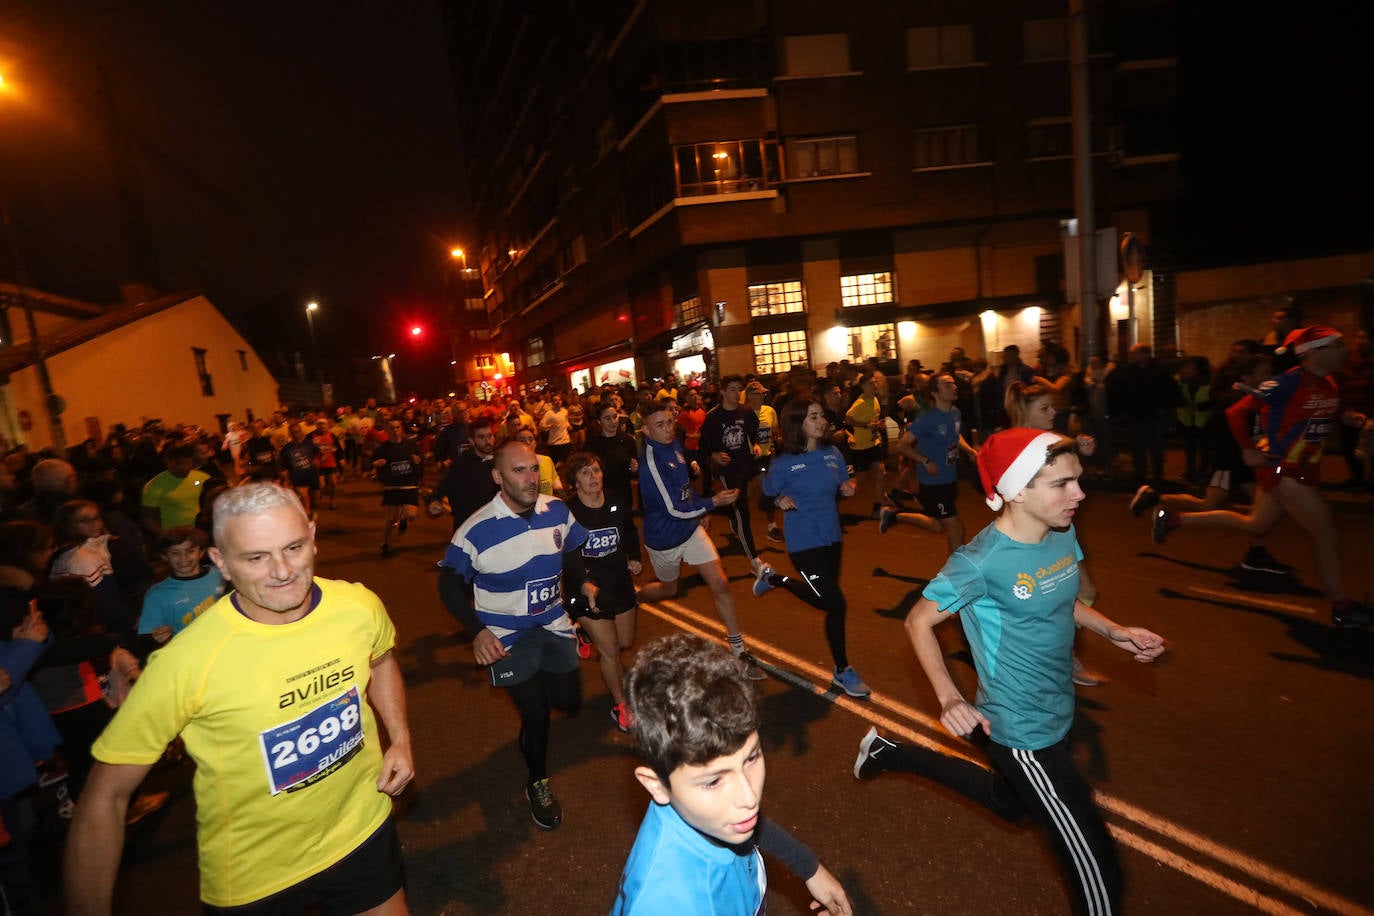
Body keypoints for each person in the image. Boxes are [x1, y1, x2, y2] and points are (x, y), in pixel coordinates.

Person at [854, 428, 1166, 915]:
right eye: (1062, 484)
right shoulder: (981, 562)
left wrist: (1114, 631)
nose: (1079, 494)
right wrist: (950, 698)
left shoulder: (1062, 531)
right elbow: (919, 621)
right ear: (1018, 490)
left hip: (1058, 707)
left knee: (1010, 803)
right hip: (1023, 730)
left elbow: (1064, 598)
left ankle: (891, 752)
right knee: (1096, 861)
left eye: (1078, 481)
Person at [65, 482, 414, 913]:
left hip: (363, 832)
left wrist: (399, 738)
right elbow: (105, 797)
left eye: (293, 547)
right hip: (255, 876)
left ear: (313, 535)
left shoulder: (357, 606)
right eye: (256, 557)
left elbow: (380, 660)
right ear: (221, 563)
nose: (283, 570)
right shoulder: (187, 661)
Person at [612, 633, 852, 916]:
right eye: (713, 781)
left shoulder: (705, 812)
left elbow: (751, 825)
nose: (749, 797)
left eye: (751, 758)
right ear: (656, 785)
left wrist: (807, 865)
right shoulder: (670, 903)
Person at [1150, 326, 1372, 628]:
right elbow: (1237, 412)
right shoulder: (1287, 382)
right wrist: (1247, 450)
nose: (1345, 350)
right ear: (1315, 352)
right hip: (1282, 469)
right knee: (1326, 532)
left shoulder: (1328, 382)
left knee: (1256, 524)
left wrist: (1346, 415)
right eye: (1337, 345)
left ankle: (1174, 520)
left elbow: (1318, 411)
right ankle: (1342, 607)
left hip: (1302, 469)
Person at [437, 440, 592, 830]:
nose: (530, 478)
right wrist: (477, 631)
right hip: (507, 638)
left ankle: (551, 698)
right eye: (518, 471)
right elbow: (449, 585)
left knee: (569, 701)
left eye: (533, 468)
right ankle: (537, 782)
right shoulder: (475, 530)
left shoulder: (556, 509)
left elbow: (571, 548)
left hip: (554, 624)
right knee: (536, 714)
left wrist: (583, 585)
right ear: (498, 477)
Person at [1129, 353, 1293, 575]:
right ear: (1248, 376)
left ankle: (1257, 553)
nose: (1270, 377)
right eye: (1265, 373)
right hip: (1231, 465)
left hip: (1240, 466)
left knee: (1250, 512)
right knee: (1220, 508)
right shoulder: (1235, 400)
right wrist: (1232, 458)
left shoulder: (1251, 398)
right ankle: (1167, 513)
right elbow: (1218, 433)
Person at [636, 399, 765, 680]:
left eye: (670, 421)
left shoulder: (672, 445)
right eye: (660, 425)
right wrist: (711, 503)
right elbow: (670, 508)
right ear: (645, 430)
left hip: (689, 528)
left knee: (720, 582)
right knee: (669, 589)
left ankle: (738, 650)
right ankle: (634, 598)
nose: (669, 428)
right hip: (664, 538)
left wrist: (698, 508)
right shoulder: (650, 463)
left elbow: (684, 487)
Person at [754, 396, 868, 698]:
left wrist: (849, 490)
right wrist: (777, 500)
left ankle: (773, 579)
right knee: (834, 603)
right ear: (798, 425)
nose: (822, 422)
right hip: (803, 542)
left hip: (832, 537)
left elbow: (846, 485)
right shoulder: (783, 464)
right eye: (814, 417)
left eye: (821, 416)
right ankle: (843, 670)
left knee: (826, 600)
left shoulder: (833, 453)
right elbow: (762, 498)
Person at [562, 452, 642, 732]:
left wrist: (634, 556)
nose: (592, 477)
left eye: (595, 471)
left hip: (619, 583)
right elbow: (567, 553)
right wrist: (583, 581)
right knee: (609, 652)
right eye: (585, 473)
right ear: (574, 481)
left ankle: (584, 633)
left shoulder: (617, 501)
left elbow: (629, 531)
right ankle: (620, 704)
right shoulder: (569, 512)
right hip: (586, 590)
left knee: (624, 642)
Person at [879, 373, 978, 557]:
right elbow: (902, 445)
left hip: (949, 479)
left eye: (954, 384)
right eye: (948, 384)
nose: (954, 387)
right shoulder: (928, 418)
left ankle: (893, 516)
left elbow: (955, 436)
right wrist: (925, 460)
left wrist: (969, 450)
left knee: (936, 525)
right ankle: (956, 578)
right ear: (935, 392)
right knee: (955, 528)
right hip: (932, 484)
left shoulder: (955, 413)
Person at [137, 527, 224, 647]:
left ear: (201, 552)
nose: (184, 557)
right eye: (175, 553)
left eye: (190, 551)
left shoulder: (222, 574)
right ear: (165, 557)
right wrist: (156, 638)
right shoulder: (157, 595)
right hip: (190, 652)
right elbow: (147, 638)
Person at [432, 410, 499, 533]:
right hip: (466, 528)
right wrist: (434, 503)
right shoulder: (460, 465)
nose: (488, 441)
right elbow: (440, 490)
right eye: (481, 437)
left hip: (495, 526)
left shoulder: (501, 462)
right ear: (471, 440)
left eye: (490, 436)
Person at [372, 419, 423, 557]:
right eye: (392, 428)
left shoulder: (411, 445)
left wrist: (417, 461)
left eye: (397, 427)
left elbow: (420, 459)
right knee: (390, 519)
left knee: (411, 515)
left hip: (409, 485)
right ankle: (385, 543)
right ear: (387, 431)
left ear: (401, 429)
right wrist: (377, 464)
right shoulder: (383, 448)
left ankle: (404, 519)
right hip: (392, 487)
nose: (395, 430)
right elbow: (371, 462)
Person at [140, 444, 210, 540]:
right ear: (168, 462)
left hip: (198, 532)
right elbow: (148, 518)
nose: (184, 467)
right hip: (173, 535)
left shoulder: (202, 477)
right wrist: (164, 534)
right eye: (179, 463)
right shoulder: (154, 486)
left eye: (187, 463)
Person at [584, 400, 639, 510]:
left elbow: (634, 471)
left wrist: (634, 469)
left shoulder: (628, 441)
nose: (613, 421)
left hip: (624, 494)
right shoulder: (592, 445)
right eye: (607, 418)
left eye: (615, 417)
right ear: (599, 421)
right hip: (601, 494)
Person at [845, 374, 887, 518]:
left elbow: (873, 422)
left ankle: (878, 506)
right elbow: (848, 418)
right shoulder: (860, 402)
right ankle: (839, 492)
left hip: (873, 443)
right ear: (863, 386)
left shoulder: (875, 399)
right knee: (860, 480)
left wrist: (877, 426)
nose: (874, 386)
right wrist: (866, 426)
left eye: (875, 383)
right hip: (860, 447)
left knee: (881, 472)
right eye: (870, 383)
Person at [278, 422, 322, 519]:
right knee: (304, 496)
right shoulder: (287, 448)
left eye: (298, 432)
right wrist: (284, 474)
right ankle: (308, 515)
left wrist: (317, 459)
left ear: (301, 432)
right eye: (293, 432)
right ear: (290, 433)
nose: (296, 434)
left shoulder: (309, 443)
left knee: (315, 498)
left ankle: (311, 509)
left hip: (312, 474)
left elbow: (319, 452)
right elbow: (283, 463)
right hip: (298, 476)